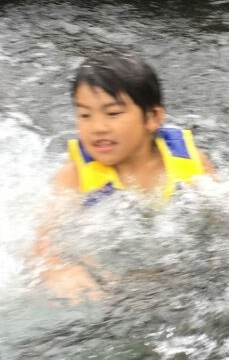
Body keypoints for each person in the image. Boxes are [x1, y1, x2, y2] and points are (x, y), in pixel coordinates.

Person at [35, 51, 214, 298]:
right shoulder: (74, 177)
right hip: (114, 284)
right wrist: (56, 269)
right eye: (85, 115)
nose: (97, 127)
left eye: (112, 113)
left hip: (185, 276)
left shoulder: (191, 163)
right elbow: (43, 237)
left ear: (152, 118)